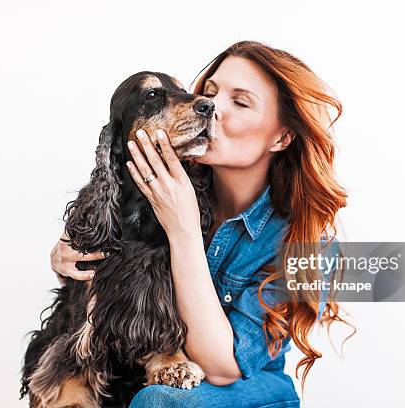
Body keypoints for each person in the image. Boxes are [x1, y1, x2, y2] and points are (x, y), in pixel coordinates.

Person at [51, 41, 348, 407]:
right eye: (209, 93)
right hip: (147, 376)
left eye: (240, 102)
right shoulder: (159, 189)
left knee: (162, 400)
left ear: (282, 137)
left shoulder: (312, 247)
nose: (210, 107)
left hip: (244, 390)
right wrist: (68, 254)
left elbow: (223, 368)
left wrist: (184, 230)